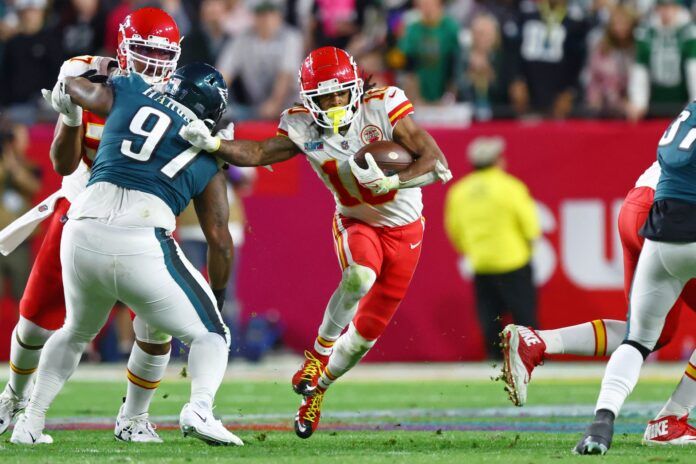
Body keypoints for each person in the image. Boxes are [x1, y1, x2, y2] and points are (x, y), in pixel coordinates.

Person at [180, 46, 452, 439]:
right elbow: (258, 151)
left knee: (361, 340)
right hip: (356, 220)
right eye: (324, 96)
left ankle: (317, 391)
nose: (334, 102)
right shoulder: (302, 124)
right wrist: (214, 145)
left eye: (340, 93)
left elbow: (435, 160)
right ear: (309, 98)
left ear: (354, 87)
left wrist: (396, 179)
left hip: (407, 231)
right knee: (359, 277)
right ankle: (317, 354)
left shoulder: (383, 104)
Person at [10, 62, 241, 447]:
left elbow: (72, 84)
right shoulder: (207, 154)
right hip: (140, 238)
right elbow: (219, 239)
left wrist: (79, 95)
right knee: (213, 334)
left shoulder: (132, 94)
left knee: (74, 332)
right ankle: (198, 409)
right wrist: (216, 296)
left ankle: (30, 422)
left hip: (81, 228)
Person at [0, 8, 188, 443]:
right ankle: (14, 396)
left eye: (162, 55)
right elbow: (64, 162)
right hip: (82, 209)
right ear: (122, 49)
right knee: (35, 320)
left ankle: (134, 417)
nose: (153, 65)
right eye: (142, 52)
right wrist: (68, 118)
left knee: (155, 325)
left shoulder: (181, 94)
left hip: (144, 215)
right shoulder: (85, 76)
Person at [502, 159, 696, 446]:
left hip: (639, 204)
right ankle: (670, 420)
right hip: (676, 214)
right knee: (644, 335)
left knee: (649, 334)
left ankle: (539, 342)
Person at [573, 102, 696, 454]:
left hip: (660, 236)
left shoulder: (687, 113)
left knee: (638, 339)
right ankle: (671, 418)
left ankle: (601, 423)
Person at [444, 136, 540, 360]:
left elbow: (455, 230)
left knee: (490, 320)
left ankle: (496, 362)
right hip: (514, 261)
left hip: (481, 264)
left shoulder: (459, 191)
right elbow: (530, 227)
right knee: (525, 318)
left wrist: (473, 250)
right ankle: (531, 360)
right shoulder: (511, 187)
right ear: (498, 160)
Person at [626, 0, 696, 121]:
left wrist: (693, 105)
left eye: (671, 6)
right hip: (654, 104)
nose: (666, 11)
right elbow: (640, 68)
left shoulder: (688, 32)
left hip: (681, 102)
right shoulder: (646, 32)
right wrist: (638, 101)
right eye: (663, 6)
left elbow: (693, 70)